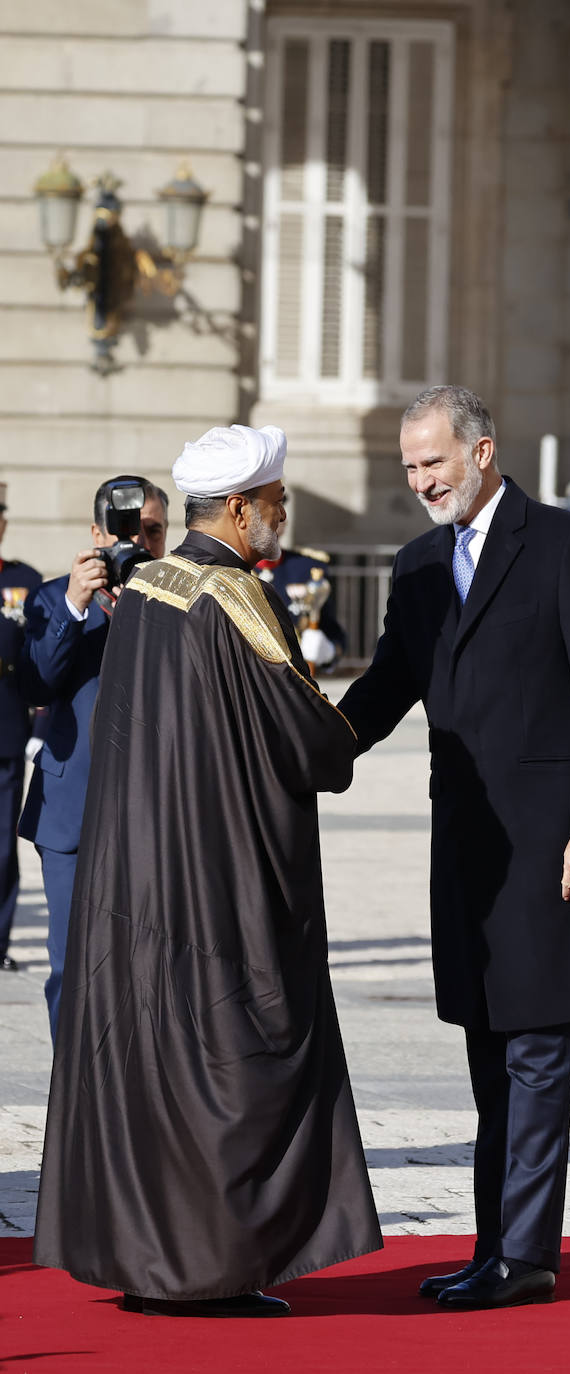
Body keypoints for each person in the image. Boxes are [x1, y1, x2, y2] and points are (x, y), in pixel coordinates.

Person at [33, 423, 381, 1317]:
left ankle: (147, 1261)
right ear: (236, 508)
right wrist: (351, 727)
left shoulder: (148, 587)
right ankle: (207, 1271)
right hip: (218, 875)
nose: (281, 515)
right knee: (230, 1058)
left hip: (138, 873)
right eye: (274, 502)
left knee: (154, 1059)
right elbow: (308, 739)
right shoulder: (234, 596)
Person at [339, 385, 570, 1310]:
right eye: (409, 467)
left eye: (432, 461)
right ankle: (492, 1249)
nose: (421, 481)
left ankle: (526, 1257)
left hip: (555, 846)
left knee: (538, 1053)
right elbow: (389, 682)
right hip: (469, 850)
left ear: (480, 452)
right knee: (488, 1053)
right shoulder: (419, 563)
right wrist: (308, 746)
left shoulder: (563, 544)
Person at [18, 477, 168, 1038]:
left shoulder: (184, 601)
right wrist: (75, 607)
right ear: (96, 533)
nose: (138, 541)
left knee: (151, 968)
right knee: (73, 965)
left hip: (157, 812)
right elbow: (35, 684)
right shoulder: (52, 598)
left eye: (152, 531)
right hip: (71, 811)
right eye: (125, 529)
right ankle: (73, 1086)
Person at [0, 484, 42, 971]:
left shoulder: (24, 582)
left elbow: (42, 660)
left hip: (5, 727)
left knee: (0, 845)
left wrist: (41, 726)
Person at [256, 545, 347, 670]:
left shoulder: (308, 566)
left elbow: (333, 632)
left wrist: (329, 651)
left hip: (293, 674)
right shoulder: (232, 568)